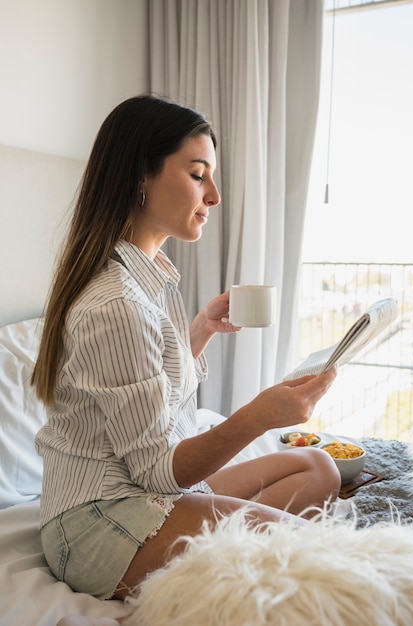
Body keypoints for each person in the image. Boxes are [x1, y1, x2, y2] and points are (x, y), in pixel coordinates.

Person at [32, 94, 340, 606]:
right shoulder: (117, 304)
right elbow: (155, 469)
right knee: (301, 553)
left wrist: (197, 331)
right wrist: (260, 415)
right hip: (97, 523)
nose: (214, 195)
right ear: (141, 177)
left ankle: (206, 566)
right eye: (199, 174)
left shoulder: (151, 284)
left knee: (318, 468)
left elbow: (152, 400)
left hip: (147, 493)